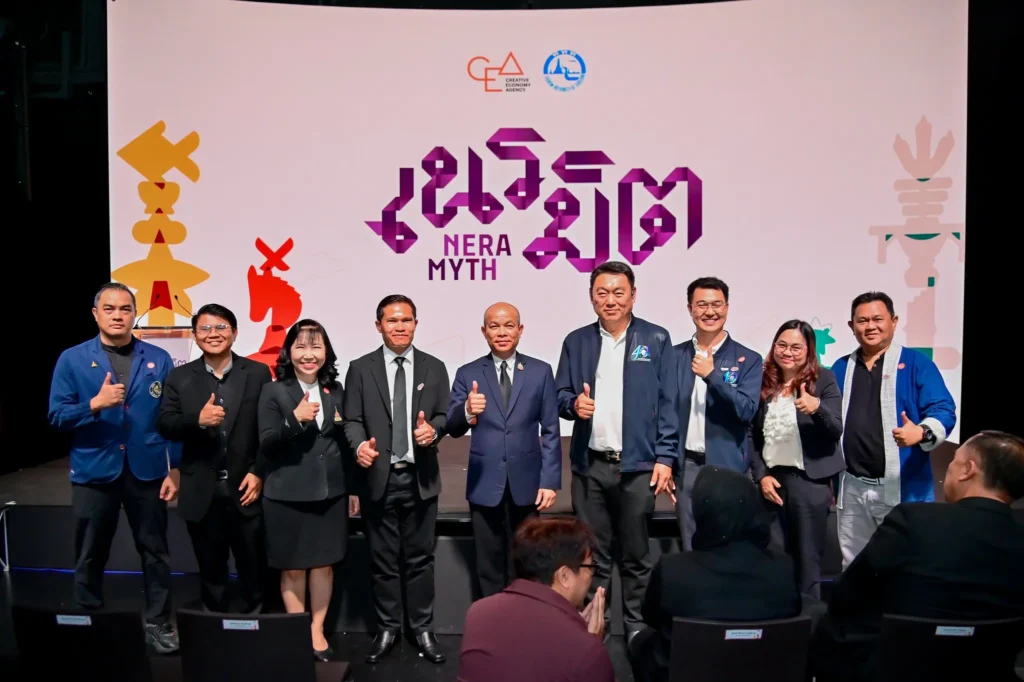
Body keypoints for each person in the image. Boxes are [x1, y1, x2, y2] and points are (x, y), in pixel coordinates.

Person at [811, 431, 1024, 682]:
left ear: (968, 470)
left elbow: (849, 593)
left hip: (897, 669)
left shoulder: (914, 520)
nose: (949, 470)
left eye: (954, 461)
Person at [47, 282, 181, 653]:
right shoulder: (72, 359)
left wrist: (174, 468)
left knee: (155, 553)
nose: (118, 315)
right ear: (96, 314)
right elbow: (57, 416)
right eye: (109, 309)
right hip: (94, 469)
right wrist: (94, 404)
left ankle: (159, 624)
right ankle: (89, 623)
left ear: (135, 314)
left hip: (147, 470)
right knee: (90, 552)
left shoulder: (158, 358)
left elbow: (170, 418)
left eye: (125, 309)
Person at [555, 261, 678, 641]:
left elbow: (669, 402)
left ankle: (637, 627)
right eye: (602, 293)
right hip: (590, 467)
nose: (610, 300)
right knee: (593, 555)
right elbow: (560, 395)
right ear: (592, 297)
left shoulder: (656, 338)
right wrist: (573, 405)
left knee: (637, 554)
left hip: (638, 467)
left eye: (618, 292)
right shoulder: (577, 341)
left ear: (633, 296)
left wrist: (665, 457)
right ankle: (596, 625)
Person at [342, 295, 451, 664]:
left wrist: (433, 431)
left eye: (406, 320)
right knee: (382, 560)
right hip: (378, 478)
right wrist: (359, 446)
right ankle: (388, 628)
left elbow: (444, 415)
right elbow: (352, 420)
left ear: (416, 324)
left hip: (421, 478)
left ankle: (422, 628)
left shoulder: (435, 367)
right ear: (379, 326)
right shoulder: (360, 368)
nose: (400, 326)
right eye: (392, 320)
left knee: (421, 560)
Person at [629, 466, 802, 682]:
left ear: (702, 512)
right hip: (765, 672)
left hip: (687, 673)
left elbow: (650, 616)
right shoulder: (783, 569)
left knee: (641, 642)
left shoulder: (672, 570)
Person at [156, 303, 272, 613]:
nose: (213, 334)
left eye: (221, 327)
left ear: (235, 333)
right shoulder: (179, 376)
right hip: (201, 489)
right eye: (205, 328)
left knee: (253, 566)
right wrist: (197, 420)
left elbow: (268, 429)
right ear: (195, 335)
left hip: (246, 487)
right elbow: (165, 423)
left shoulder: (258, 373)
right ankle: (214, 625)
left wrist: (259, 471)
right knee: (210, 568)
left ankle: (255, 622)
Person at [831, 292, 957, 567]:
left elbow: (943, 410)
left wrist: (921, 432)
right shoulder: (841, 367)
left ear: (894, 321)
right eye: (862, 321)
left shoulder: (916, 364)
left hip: (902, 486)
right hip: (851, 487)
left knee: (907, 564)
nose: (870, 326)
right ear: (851, 326)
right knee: (854, 566)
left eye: (877, 319)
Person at [447, 302, 561, 598]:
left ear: (520, 330)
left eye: (509, 325)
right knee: (488, 563)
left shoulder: (540, 371)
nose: (501, 332)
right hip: (485, 483)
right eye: (494, 326)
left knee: (527, 560)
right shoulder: (468, 373)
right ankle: (492, 618)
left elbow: (551, 429)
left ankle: (524, 616)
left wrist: (550, 481)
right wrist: (467, 411)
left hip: (528, 483)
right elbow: (453, 426)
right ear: (484, 331)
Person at [257, 320, 351, 661]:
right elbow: (266, 443)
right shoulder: (273, 391)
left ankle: (316, 630)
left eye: (316, 346)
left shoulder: (335, 390)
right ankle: (297, 630)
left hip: (330, 494)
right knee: (293, 567)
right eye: (300, 347)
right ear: (289, 352)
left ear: (326, 352)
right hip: (287, 495)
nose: (308, 355)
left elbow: (343, 442)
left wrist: (353, 489)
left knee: (324, 565)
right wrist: (294, 420)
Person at [750, 320, 845, 598]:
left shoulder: (823, 379)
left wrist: (817, 408)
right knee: (774, 556)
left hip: (810, 483)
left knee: (808, 559)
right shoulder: (764, 381)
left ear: (809, 350)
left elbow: (835, 429)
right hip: (772, 483)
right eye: (782, 345)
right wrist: (762, 475)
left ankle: (809, 618)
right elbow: (751, 434)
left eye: (796, 347)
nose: (787, 352)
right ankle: (779, 617)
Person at [457, 517, 615, 682]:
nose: (591, 576)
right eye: (590, 567)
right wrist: (591, 643)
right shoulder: (585, 649)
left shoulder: (478, 613)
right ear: (564, 576)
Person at [673, 276, 762, 549]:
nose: (709, 312)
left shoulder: (748, 359)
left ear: (727, 308)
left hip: (728, 468)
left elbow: (746, 411)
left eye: (716, 305)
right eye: (701, 305)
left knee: (729, 547)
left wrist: (713, 376)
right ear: (690, 309)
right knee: (691, 547)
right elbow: (664, 412)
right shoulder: (674, 356)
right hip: (686, 468)